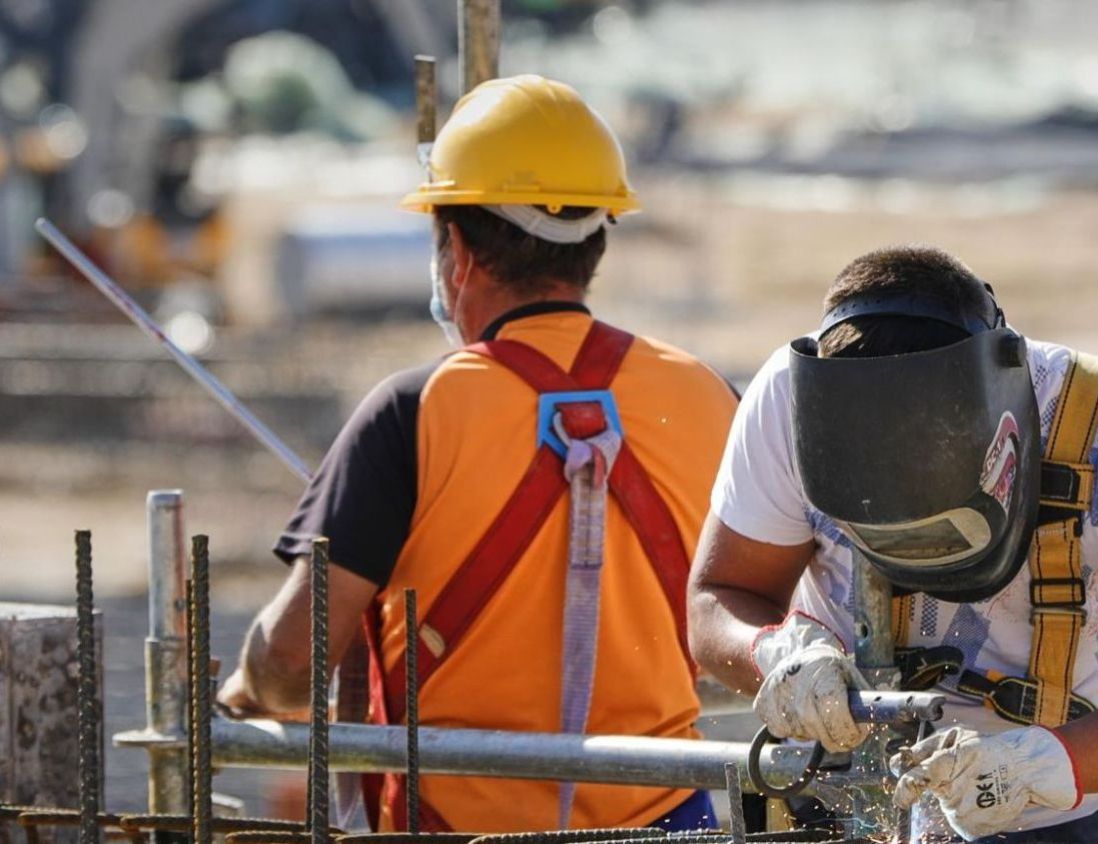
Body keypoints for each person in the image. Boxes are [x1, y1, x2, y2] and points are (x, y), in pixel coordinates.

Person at [219, 75, 738, 834]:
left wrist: (249, 691)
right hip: (665, 822)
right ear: (598, 234)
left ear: (456, 250)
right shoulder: (705, 395)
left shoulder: (412, 412)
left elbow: (296, 658)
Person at [687, 246, 1098, 843]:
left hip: (1057, 810)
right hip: (836, 789)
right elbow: (720, 597)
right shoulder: (790, 403)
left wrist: (1035, 767)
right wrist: (775, 654)